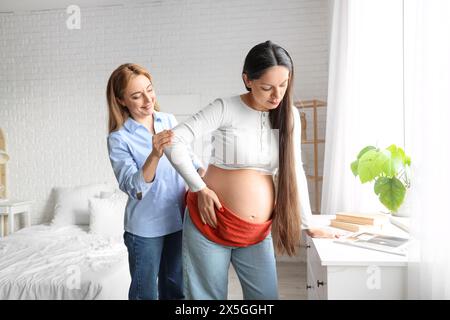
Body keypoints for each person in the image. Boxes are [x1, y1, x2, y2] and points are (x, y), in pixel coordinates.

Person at [163, 41, 340, 300]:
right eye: (267, 87)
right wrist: (198, 187)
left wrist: (307, 223)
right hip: (210, 224)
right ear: (248, 80)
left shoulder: (288, 115)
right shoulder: (225, 108)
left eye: (283, 84)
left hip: (256, 233)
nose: (276, 95)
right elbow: (172, 141)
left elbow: (295, 171)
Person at [106, 63, 205, 300]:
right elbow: (133, 187)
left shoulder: (168, 120)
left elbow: (190, 159)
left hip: (178, 221)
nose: (147, 100)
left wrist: (203, 176)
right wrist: (154, 154)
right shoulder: (118, 138)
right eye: (136, 96)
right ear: (121, 100)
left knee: (176, 291)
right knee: (145, 294)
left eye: (149, 90)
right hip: (144, 230)